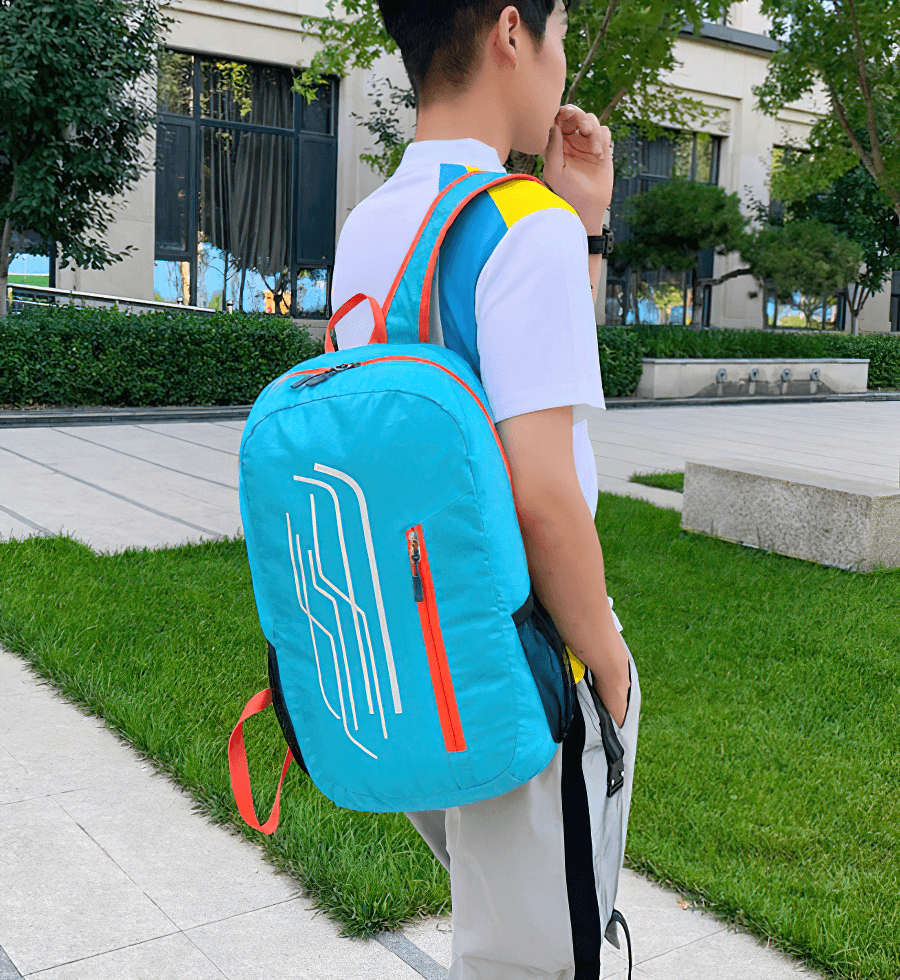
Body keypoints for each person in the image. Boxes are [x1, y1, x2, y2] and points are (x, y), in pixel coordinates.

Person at [330, 2, 638, 977]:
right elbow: (541, 492)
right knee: (539, 957)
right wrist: (610, 667)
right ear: (512, 32)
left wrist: (582, 225)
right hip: (522, 650)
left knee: (502, 920)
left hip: (408, 644)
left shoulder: (369, 224)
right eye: (561, 31)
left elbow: (497, 372)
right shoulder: (518, 221)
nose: (561, 59)